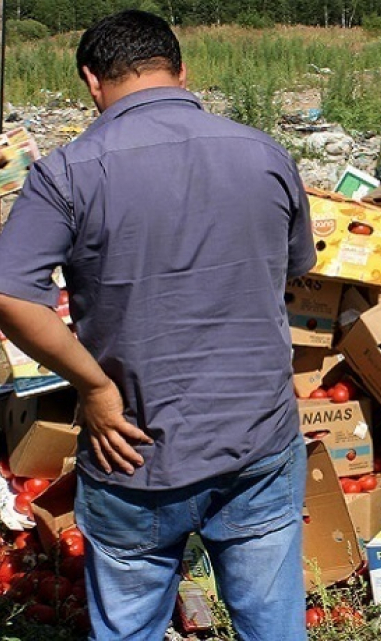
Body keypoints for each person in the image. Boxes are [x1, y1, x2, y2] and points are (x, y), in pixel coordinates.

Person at [0, 10, 315, 641]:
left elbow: (11, 294)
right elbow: (294, 269)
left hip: (138, 450)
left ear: (92, 80)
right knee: (272, 624)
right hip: (258, 436)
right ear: (181, 71)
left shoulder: (67, 172)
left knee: (129, 626)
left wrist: (94, 387)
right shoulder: (265, 153)